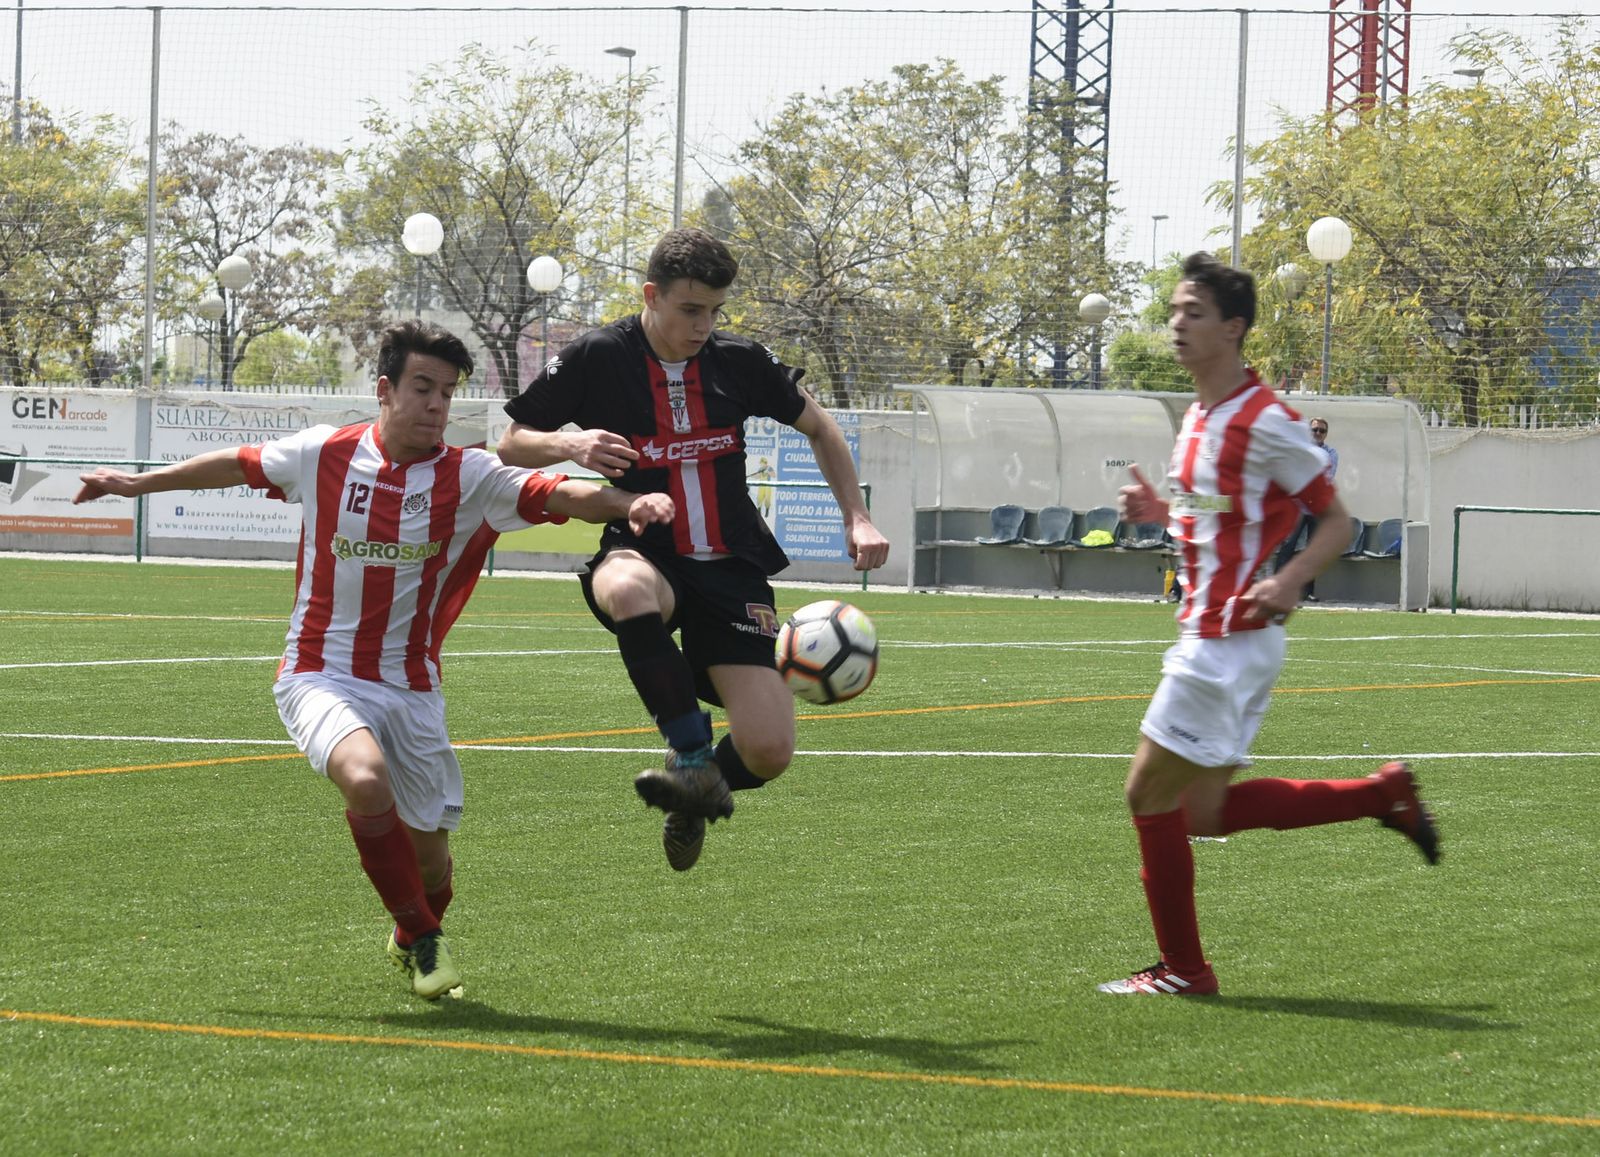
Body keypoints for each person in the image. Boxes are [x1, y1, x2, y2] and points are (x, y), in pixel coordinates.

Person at [74, 321, 673, 1000]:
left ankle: (414, 924)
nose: (436, 404)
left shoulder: (467, 474)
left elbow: (558, 492)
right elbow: (237, 463)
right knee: (365, 778)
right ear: (385, 390)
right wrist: (134, 483)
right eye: (422, 387)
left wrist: (631, 502)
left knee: (434, 862)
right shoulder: (323, 454)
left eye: (447, 392)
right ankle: (422, 939)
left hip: (413, 687)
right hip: (318, 670)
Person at [1100, 253, 1439, 998]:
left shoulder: (1268, 419)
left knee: (1145, 798)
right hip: (1222, 638)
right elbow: (1220, 512)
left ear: (1234, 327)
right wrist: (1162, 513)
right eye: (1175, 311)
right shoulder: (1200, 414)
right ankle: (1382, 794)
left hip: (1225, 641)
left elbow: (1338, 522)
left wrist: (1288, 579)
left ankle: (1186, 971)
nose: (1177, 323)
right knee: (1205, 812)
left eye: (1194, 312)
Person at [498, 227, 890, 872]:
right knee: (626, 588)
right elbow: (513, 442)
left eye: (714, 311)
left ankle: (695, 794)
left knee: (769, 750)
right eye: (689, 309)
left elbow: (820, 427)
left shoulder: (739, 361)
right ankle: (688, 751)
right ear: (651, 295)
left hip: (732, 569)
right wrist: (570, 445)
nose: (704, 325)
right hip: (645, 549)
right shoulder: (600, 355)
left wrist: (858, 516)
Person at [1273, 416, 1338, 601]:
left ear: (1326, 434)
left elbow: (1326, 478)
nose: (1318, 433)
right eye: (1315, 430)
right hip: (1298, 506)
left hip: (1317, 507)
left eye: (1322, 431)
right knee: (1288, 545)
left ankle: (1307, 591)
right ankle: (1278, 588)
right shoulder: (1299, 449)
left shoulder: (1331, 453)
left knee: (1313, 549)